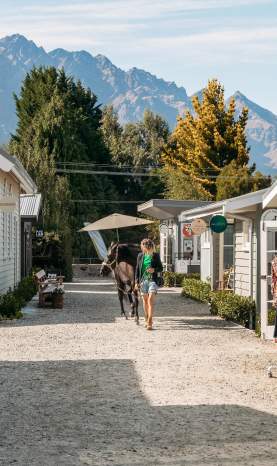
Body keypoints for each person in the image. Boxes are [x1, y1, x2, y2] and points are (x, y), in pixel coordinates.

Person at [135, 238, 163, 330]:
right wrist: (136, 282)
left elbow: (160, 268)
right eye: (144, 247)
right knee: (145, 301)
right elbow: (137, 270)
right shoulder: (140, 256)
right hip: (143, 281)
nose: (144, 248)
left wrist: (153, 270)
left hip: (152, 281)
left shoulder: (156, 256)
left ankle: (150, 322)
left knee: (150, 300)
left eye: (145, 246)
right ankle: (146, 318)